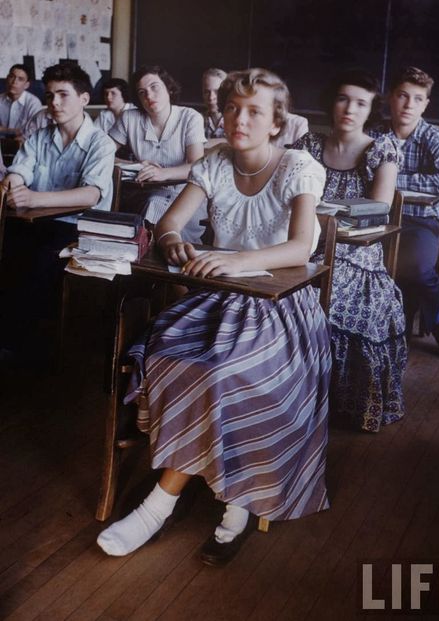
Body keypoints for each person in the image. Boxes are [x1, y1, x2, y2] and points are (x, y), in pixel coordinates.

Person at [97, 68, 331, 566]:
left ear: (275, 123)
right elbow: (169, 222)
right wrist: (173, 241)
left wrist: (236, 259)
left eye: (253, 112)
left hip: (281, 309)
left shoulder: (298, 166)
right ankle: (200, 494)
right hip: (218, 301)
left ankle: (191, 503)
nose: (239, 119)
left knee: (223, 372)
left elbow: (296, 249)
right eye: (231, 108)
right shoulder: (215, 163)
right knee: (163, 354)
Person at [293, 69, 407, 432]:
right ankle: (285, 394)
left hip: (355, 253)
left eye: (361, 103)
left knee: (333, 299)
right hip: (305, 243)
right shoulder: (309, 145)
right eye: (343, 98)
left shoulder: (381, 150)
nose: (349, 108)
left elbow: (379, 209)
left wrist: (324, 221)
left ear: (371, 110)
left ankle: (337, 402)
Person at [0, 63, 115, 360]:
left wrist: (34, 198)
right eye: (50, 96)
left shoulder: (100, 143)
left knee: (38, 259)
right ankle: (14, 332)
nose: (54, 103)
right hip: (35, 223)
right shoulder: (39, 137)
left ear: (84, 99)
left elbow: (91, 194)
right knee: (7, 248)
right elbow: (19, 171)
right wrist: (12, 183)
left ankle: (20, 343)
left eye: (63, 95)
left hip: (80, 228)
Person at [372, 66, 439, 359]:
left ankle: (437, 320)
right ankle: (384, 326)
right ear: (390, 98)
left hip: (420, 218)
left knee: (421, 269)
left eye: (417, 98)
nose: (409, 105)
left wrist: (391, 177)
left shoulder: (430, 137)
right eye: (402, 96)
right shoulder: (375, 132)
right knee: (378, 268)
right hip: (380, 215)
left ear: (425, 104)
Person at [109, 65, 206, 241]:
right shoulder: (129, 118)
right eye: (142, 92)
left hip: (185, 196)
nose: (149, 96)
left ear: (169, 88)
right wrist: (136, 166)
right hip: (142, 193)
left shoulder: (190, 117)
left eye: (155, 87)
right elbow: (102, 155)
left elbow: (197, 166)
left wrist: (163, 173)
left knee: (153, 207)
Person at [0, 64, 42, 138]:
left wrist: (3, 130)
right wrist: (15, 131)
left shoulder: (33, 103)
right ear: (7, 78)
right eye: (11, 76)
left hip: (25, 143)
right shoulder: (0, 99)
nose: (14, 82)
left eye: (20, 79)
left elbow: (35, 131)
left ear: (27, 85)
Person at [201, 67, 227, 146]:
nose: (211, 97)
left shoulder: (235, 122)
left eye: (217, 92)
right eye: (207, 92)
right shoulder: (197, 120)